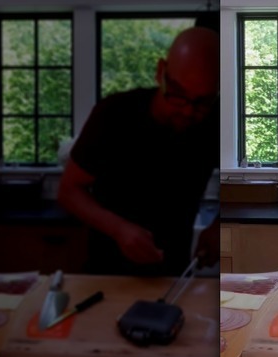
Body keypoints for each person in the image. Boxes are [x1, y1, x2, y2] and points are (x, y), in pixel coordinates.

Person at [58, 26, 220, 277]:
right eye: (178, 95)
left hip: (173, 273)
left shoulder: (212, 123)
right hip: (106, 274)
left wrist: (217, 227)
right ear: (160, 73)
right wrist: (119, 229)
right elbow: (69, 191)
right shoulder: (113, 114)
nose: (188, 111)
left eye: (202, 102)